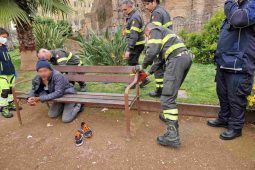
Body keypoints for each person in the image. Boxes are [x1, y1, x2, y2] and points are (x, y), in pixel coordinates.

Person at [207, 0, 255, 140]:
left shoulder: (251, 5)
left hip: (240, 63)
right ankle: (224, 118)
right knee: (222, 93)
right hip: (225, 61)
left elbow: (239, 19)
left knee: (236, 97)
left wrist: (229, 2)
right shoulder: (238, 7)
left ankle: (235, 127)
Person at [142, 23, 192, 148]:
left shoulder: (155, 30)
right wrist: (147, 73)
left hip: (176, 60)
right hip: (184, 58)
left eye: (146, 36)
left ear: (148, 30)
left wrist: (142, 66)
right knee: (171, 93)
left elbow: (152, 52)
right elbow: (159, 61)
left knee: (167, 97)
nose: (148, 38)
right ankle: (167, 115)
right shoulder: (166, 35)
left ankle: (172, 136)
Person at [142, 0, 173, 97]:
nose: (146, 7)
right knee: (161, 68)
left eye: (147, 4)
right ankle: (162, 90)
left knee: (158, 69)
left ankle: (160, 91)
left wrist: (152, 49)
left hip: (161, 46)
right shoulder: (164, 11)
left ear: (154, 2)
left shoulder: (156, 13)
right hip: (167, 44)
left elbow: (155, 33)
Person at [121, 0, 150, 87]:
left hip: (136, 45)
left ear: (131, 7)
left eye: (125, 9)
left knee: (131, 64)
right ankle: (144, 79)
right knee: (134, 63)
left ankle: (132, 83)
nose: (123, 11)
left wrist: (129, 49)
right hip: (137, 44)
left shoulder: (134, 17)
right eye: (122, 10)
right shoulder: (133, 15)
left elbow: (134, 36)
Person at [0, 28, 16, 118]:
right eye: (3, 37)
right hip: (1, 74)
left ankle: (10, 104)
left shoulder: (4, 47)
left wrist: (14, 71)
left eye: (6, 37)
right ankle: (3, 107)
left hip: (10, 72)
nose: (5, 39)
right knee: (4, 91)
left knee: (10, 89)